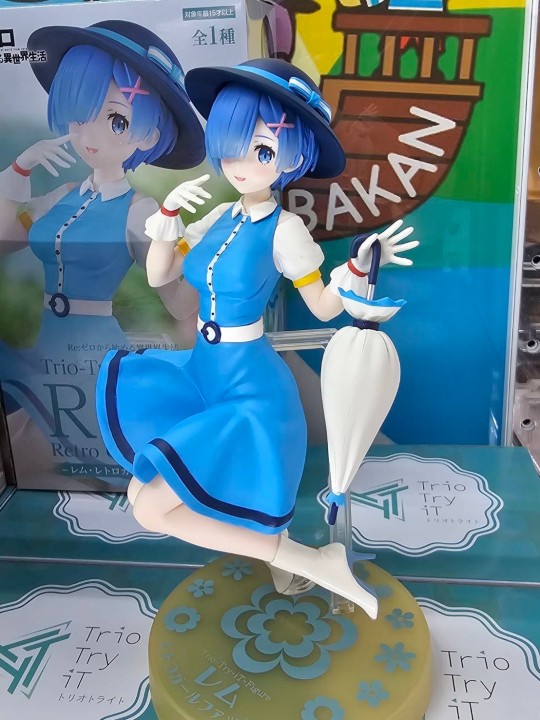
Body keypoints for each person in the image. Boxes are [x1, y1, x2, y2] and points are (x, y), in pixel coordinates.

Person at [96, 59, 417, 614]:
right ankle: (299, 560)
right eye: (232, 146)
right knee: (140, 489)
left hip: (249, 386)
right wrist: (168, 217)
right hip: (203, 372)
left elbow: (322, 307)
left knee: (151, 508)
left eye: (263, 151)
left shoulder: (285, 230)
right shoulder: (220, 216)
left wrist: (359, 267)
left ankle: (308, 561)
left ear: (291, 159)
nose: (242, 164)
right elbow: (159, 274)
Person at [0, 21, 204, 483]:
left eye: (116, 121)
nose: (91, 134)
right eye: (80, 113)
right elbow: (5, 238)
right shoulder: (63, 195)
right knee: (23, 446)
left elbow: (180, 302)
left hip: (91, 353)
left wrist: (198, 255)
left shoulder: (140, 210)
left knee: (57, 458)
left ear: (147, 136)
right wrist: (20, 167)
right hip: (44, 347)